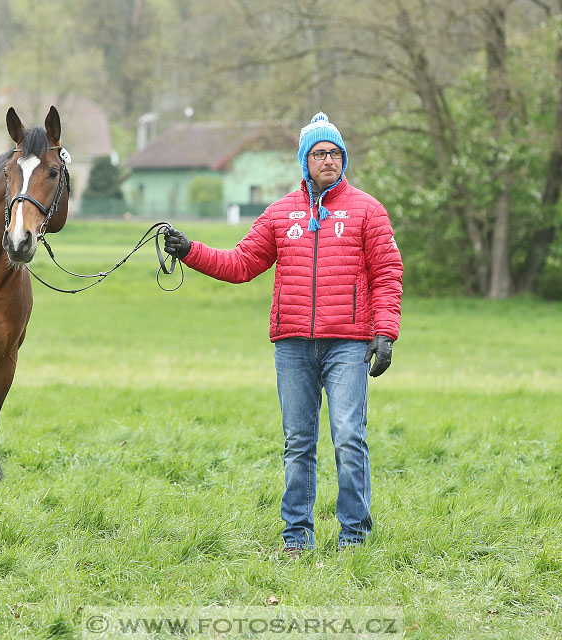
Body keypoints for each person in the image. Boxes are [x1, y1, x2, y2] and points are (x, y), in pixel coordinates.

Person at [163, 112, 403, 553]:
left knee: (349, 438)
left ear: (344, 159)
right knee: (298, 444)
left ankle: (354, 538)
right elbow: (240, 265)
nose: (328, 160)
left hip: (348, 344)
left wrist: (385, 332)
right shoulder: (280, 214)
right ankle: (297, 538)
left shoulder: (368, 211)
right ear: (304, 161)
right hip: (292, 346)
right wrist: (190, 250)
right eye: (319, 153)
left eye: (335, 153)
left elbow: (388, 273)